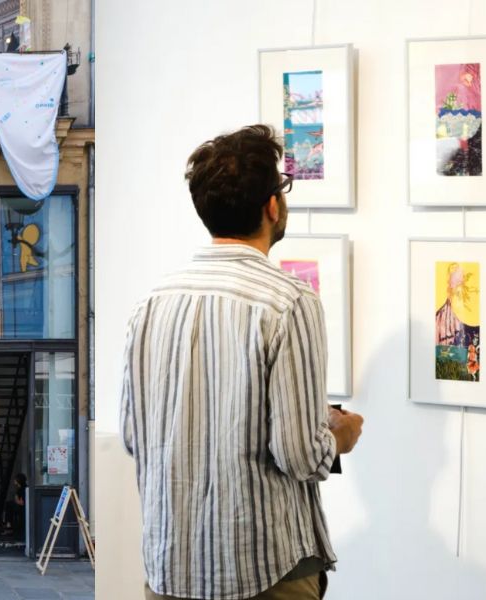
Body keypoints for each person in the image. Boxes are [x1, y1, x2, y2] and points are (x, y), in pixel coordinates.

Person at [120, 124, 365, 600]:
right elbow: (298, 453)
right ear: (272, 206)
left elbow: (135, 436)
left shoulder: (150, 304)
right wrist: (338, 436)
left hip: (171, 568)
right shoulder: (289, 302)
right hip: (262, 573)